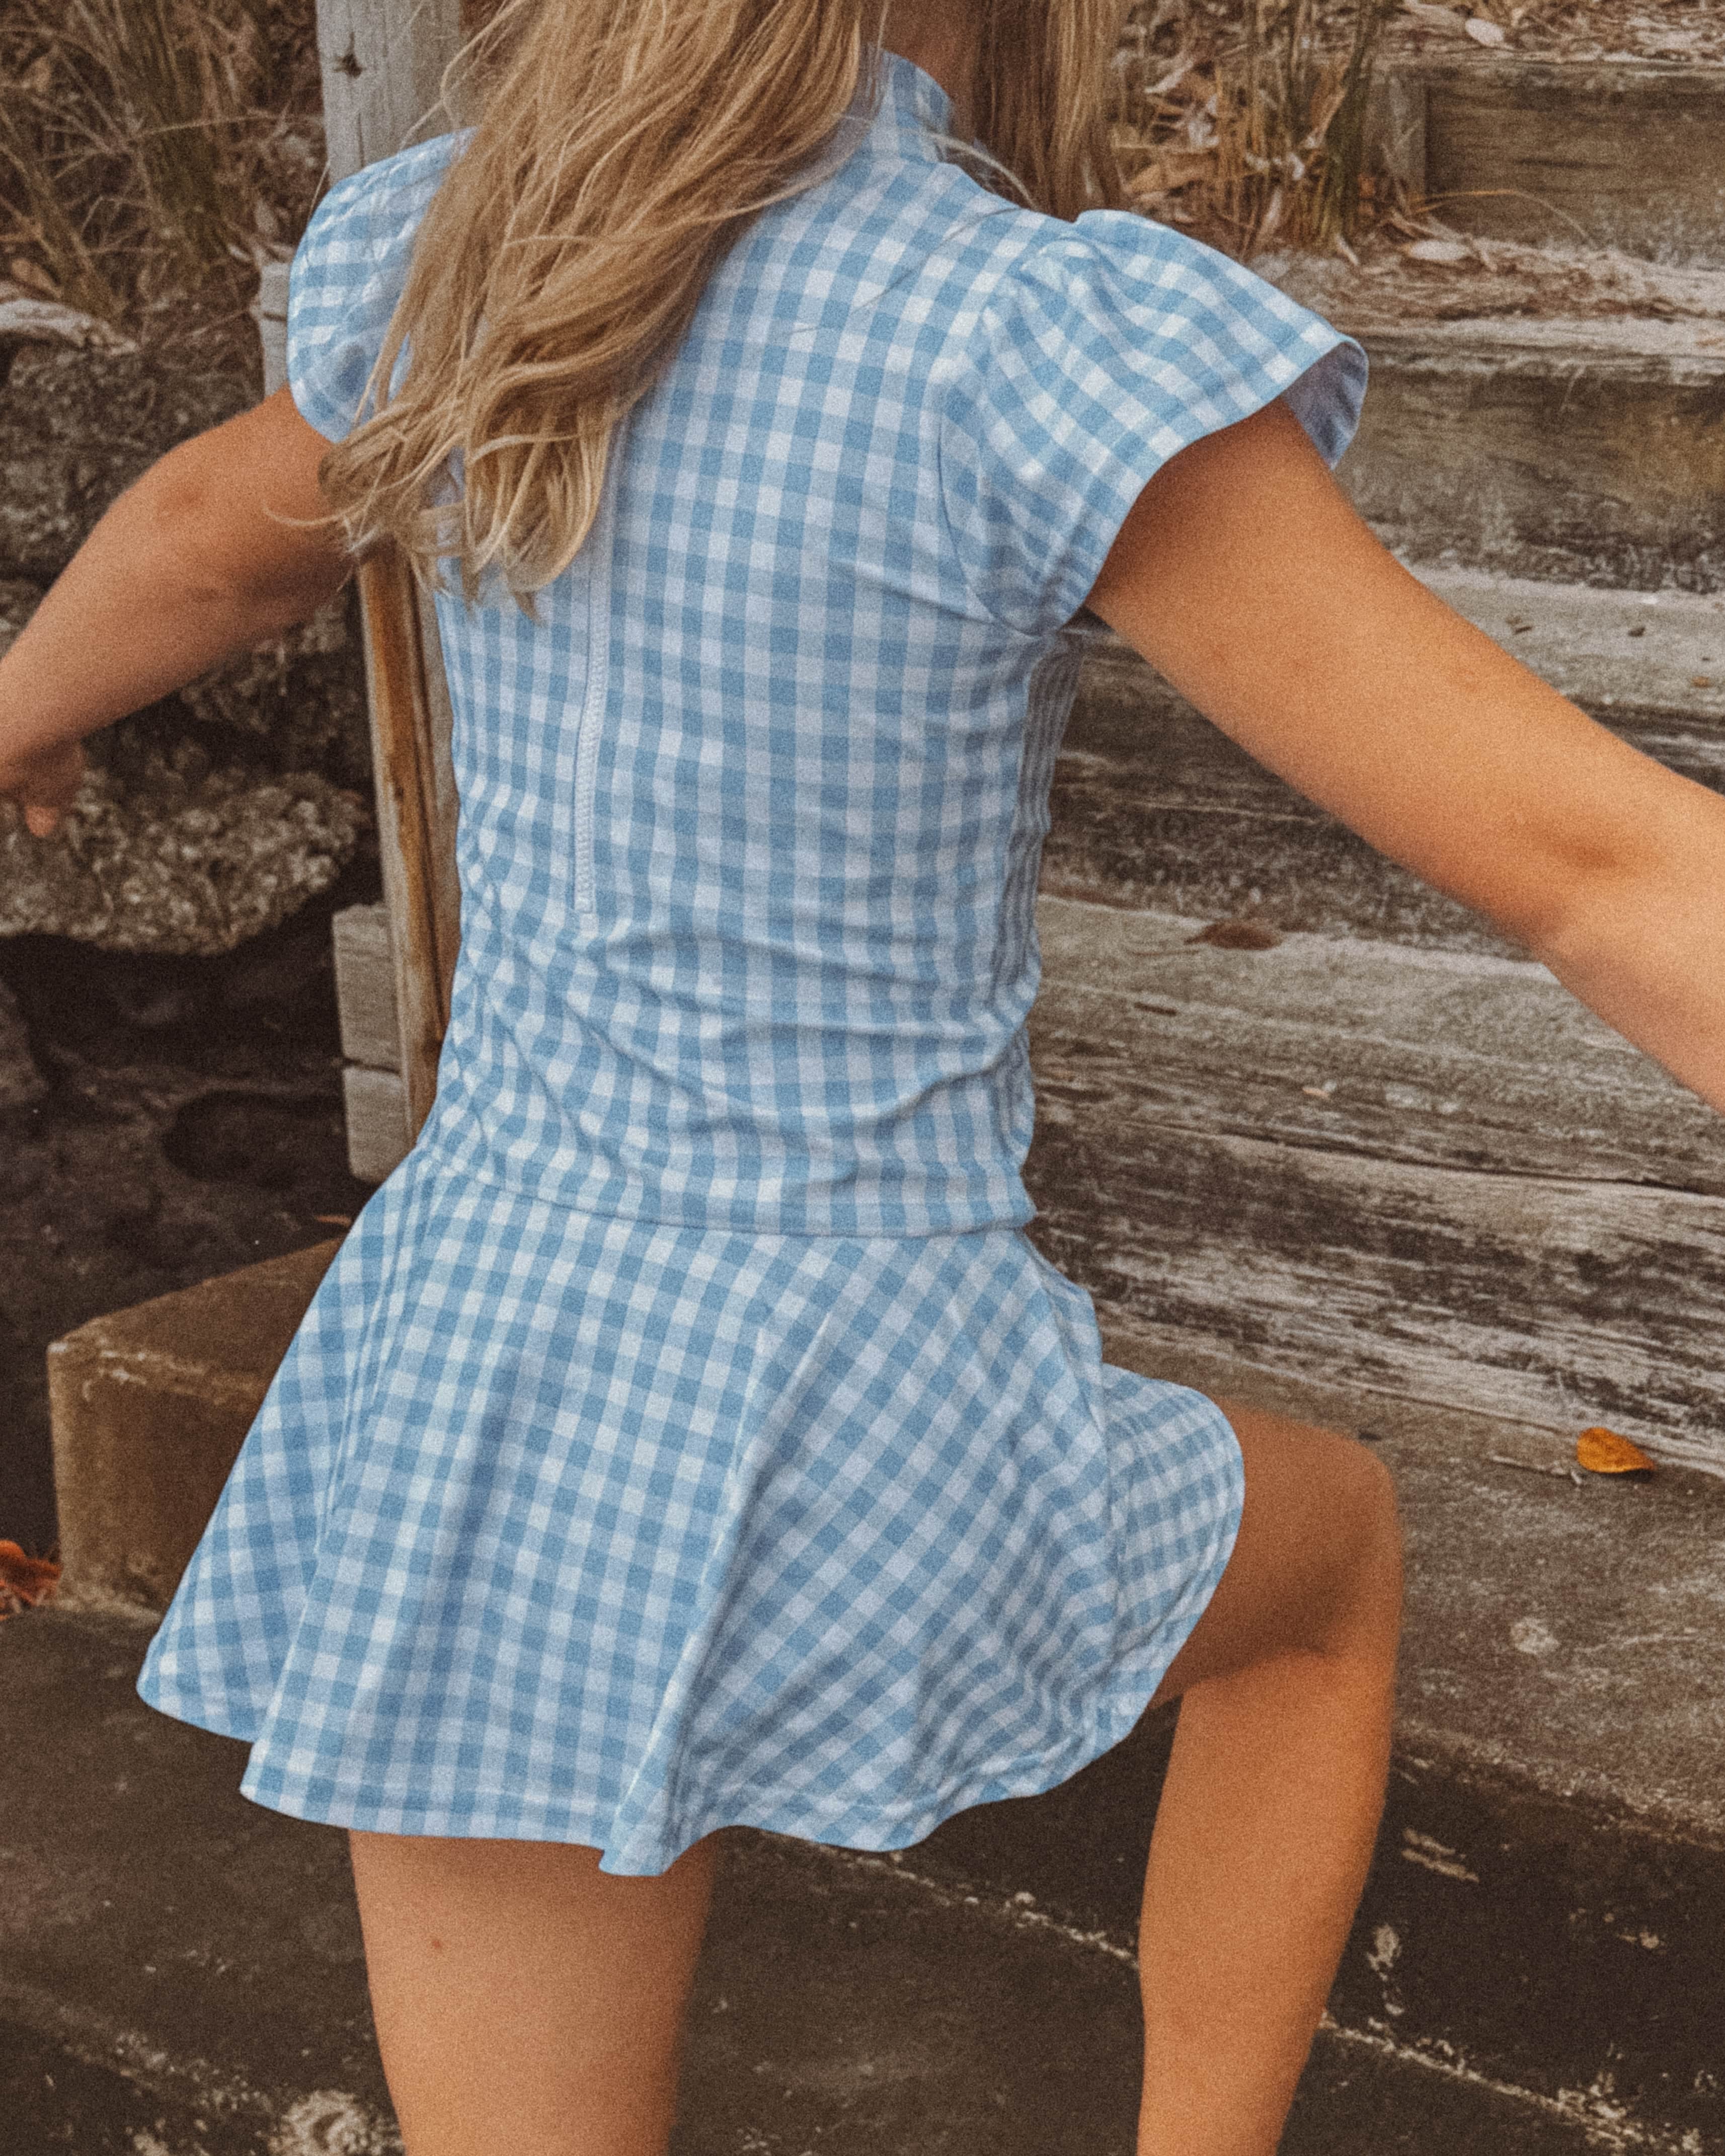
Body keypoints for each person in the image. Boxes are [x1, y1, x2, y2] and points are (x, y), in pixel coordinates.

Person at [4, 1, 1721, 2150]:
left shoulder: (453, 255)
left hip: (485, 1358)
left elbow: (205, 534)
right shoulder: (1015, 339)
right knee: (1329, 1569)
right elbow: (1600, 868)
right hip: (856, 1374)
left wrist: (20, 713)